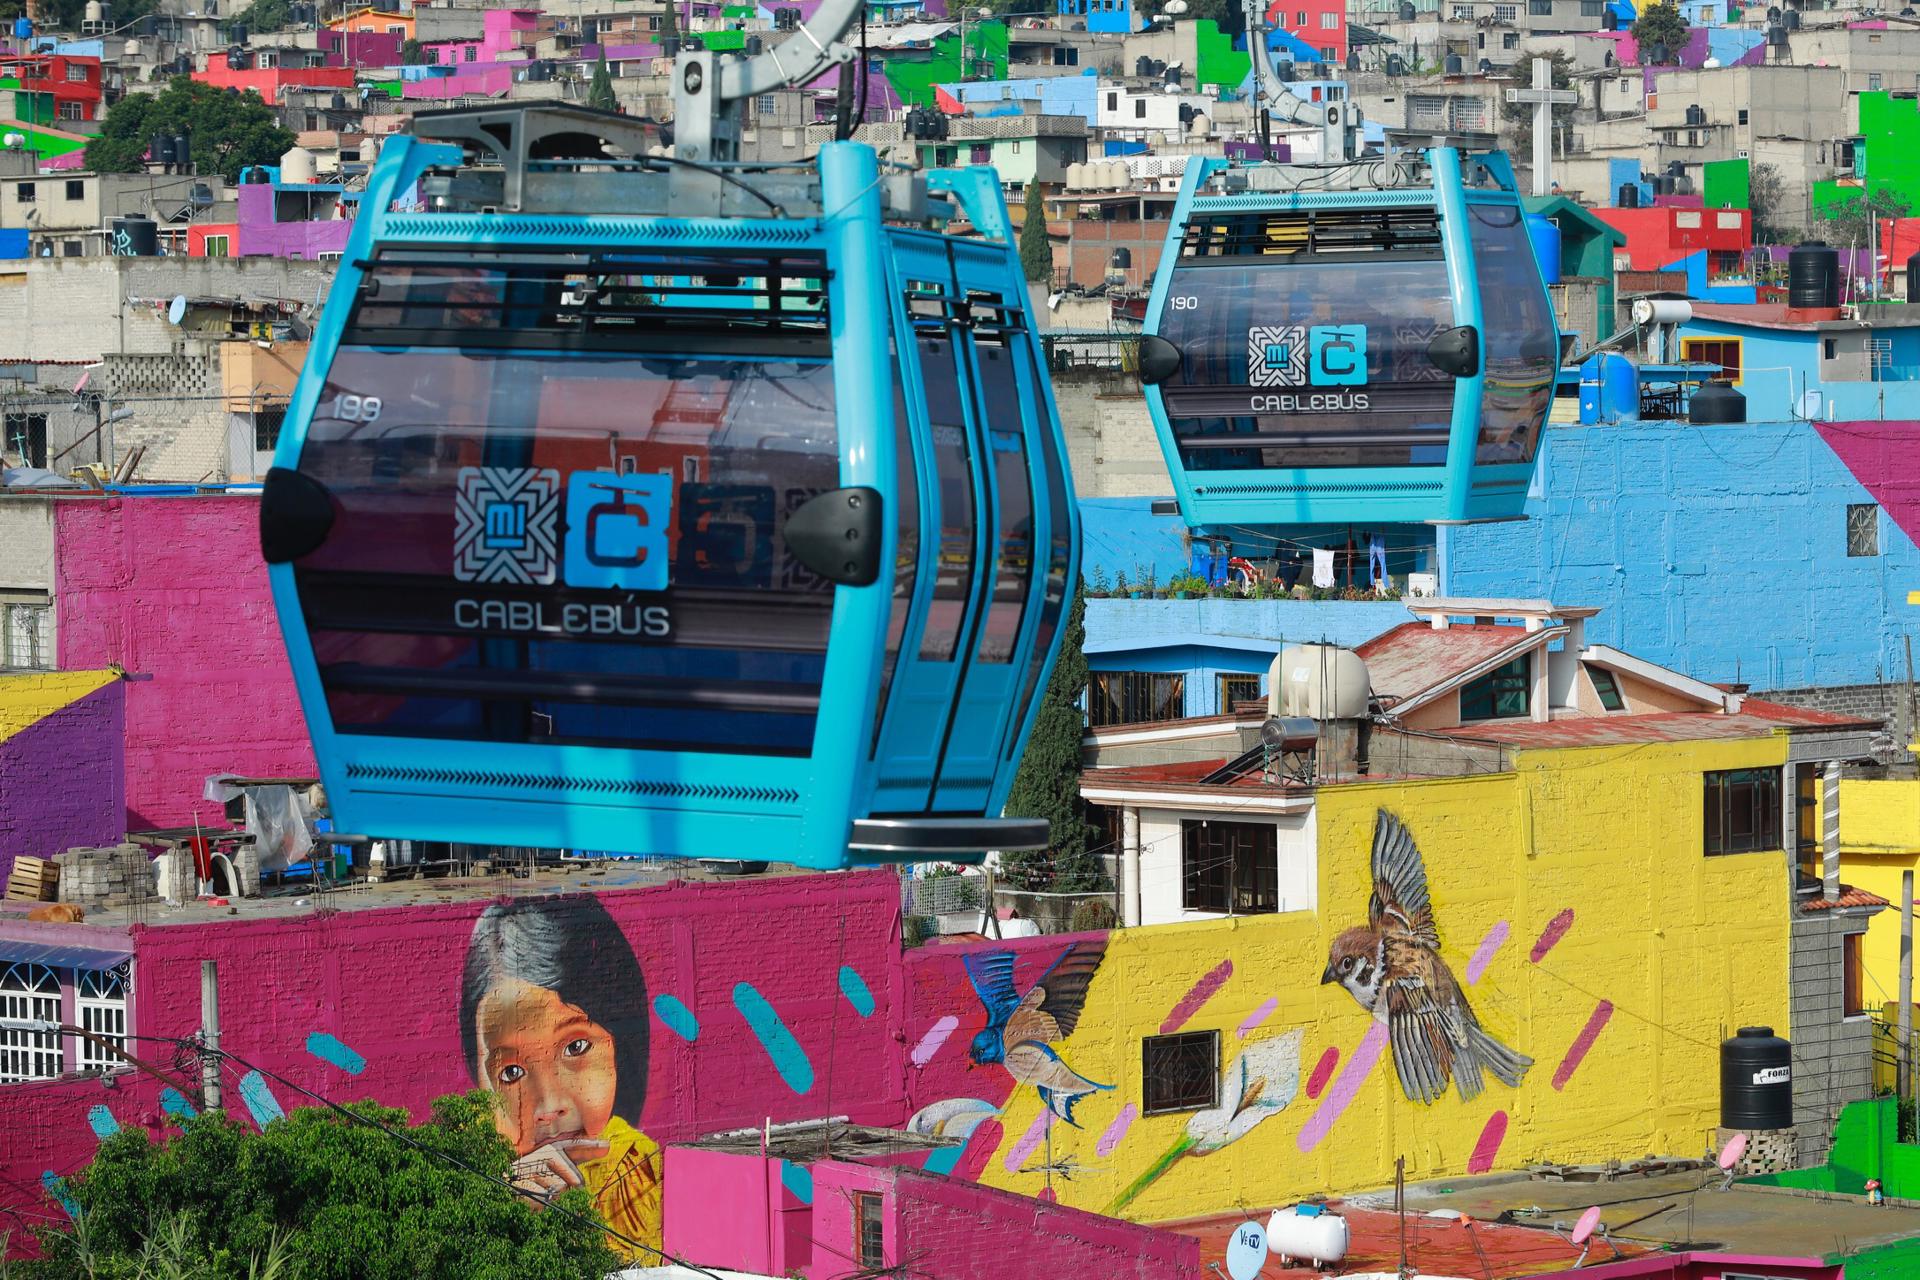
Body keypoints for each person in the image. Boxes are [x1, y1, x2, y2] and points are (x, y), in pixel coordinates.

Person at [459, 895, 661, 1258]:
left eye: (575, 1048)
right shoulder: (463, 1172)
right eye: (511, 1073)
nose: (550, 1106)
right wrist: (506, 1212)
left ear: (620, 1047)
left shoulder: (638, 1171)